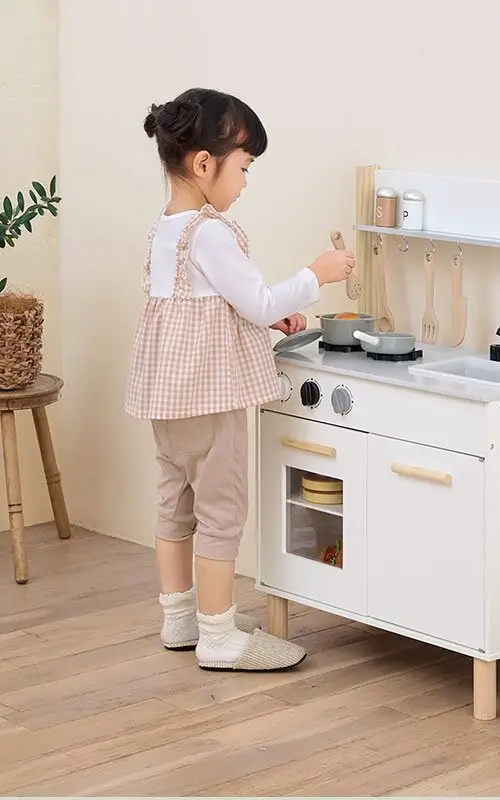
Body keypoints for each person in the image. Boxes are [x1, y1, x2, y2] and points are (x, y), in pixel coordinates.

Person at [124, 88, 354, 672]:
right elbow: (257, 299)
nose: (247, 182)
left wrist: (265, 315)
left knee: (174, 506)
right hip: (210, 400)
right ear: (205, 164)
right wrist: (317, 275)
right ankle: (220, 635)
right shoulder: (210, 232)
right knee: (221, 512)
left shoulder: (167, 228)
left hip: (169, 401)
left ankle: (181, 618)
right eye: (244, 168)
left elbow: (206, 303)